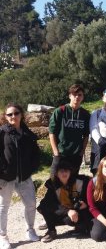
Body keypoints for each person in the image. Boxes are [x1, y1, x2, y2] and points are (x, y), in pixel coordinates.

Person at [0, 103, 40, 248]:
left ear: (21, 115)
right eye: (9, 114)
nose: (13, 116)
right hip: (5, 178)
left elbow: (36, 154)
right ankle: (2, 236)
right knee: (3, 207)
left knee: (31, 204)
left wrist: (31, 169)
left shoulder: (27, 133)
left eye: (16, 113)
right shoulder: (2, 133)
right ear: (5, 117)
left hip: (24, 177)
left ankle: (30, 229)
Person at [37, 160, 91, 242]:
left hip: (80, 212)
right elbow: (46, 204)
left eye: (66, 170)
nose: (64, 173)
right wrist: (68, 211)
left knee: (70, 220)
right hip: (65, 211)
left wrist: (86, 204)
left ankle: (82, 228)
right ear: (56, 174)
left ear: (70, 172)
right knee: (43, 207)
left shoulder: (81, 181)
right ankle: (51, 231)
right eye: (61, 171)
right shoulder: (51, 185)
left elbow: (93, 191)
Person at [49, 84, 90, 176]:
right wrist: (56, 151)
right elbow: (52, 133)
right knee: (54, 180)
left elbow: (86, 135)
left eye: (80, 95)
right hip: (61, 153)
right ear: (70, 96)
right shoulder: (60, 111)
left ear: (83, 97)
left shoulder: (85, 114)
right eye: (74, 94)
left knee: (72, 181)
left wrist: (82, 151)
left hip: (76, 155)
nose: (77, 97)